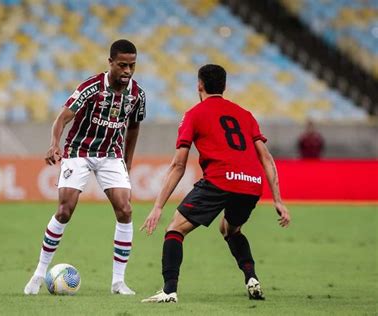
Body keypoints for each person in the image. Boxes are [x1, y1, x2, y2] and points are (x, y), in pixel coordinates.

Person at [140, 64, 290, 303]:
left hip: (220, 179)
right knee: (230, 230)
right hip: (251, 183)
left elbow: (178, 165)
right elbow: (267, 159)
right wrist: (278, 200)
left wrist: (158, 206)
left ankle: (169, 291)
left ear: (199, 85)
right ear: (225, 86)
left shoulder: (194, 114)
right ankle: (251, 278)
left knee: (175, 230)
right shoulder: (245, 115)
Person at [24, 39, 146, 295]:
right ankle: (37, 274)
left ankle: (118, 282)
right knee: (65, 209)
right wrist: (54, 144)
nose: (127, 71)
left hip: (111, 155)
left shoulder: (137, 94)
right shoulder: (91, 88)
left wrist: (128, 160)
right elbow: (62, 118)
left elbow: (133, 127)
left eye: (132, 66)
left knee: (125, 209)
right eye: (122, 65)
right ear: (110, 62)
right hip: (79, 151)